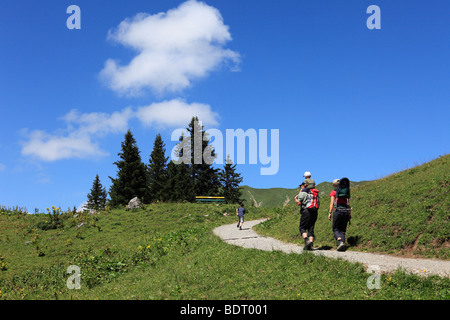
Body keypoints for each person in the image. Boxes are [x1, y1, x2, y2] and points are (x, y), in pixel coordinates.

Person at [295, 180, 320, 250]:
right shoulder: (315, 193)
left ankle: (306, 241)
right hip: (315, 212)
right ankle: (311, 245)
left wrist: (295, 199)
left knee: (302, 228)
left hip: (306, 211)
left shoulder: (304, 193)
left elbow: (299, 203)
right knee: (311, 228)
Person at [328, 179, 351, 251]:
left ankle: (340, 241)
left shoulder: (333, 192)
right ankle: (342, 244)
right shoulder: (345, 192)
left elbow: (332, 203)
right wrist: (349, 214)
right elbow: (348, 204)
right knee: (342, 230)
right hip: (345, 211)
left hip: (338, 211)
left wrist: (330, 213)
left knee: (335, 228)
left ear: (334, 185)